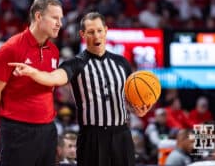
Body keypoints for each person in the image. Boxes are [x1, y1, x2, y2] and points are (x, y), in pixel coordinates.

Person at [8, 12, 151, 166]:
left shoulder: (122, 63)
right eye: (90, 32)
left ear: (106, 30)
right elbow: (55, 77)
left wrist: (138, 109)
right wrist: (34, 72)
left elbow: (128, 100)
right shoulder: (76, 64)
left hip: (121, 135)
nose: (96, 36)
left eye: (99, 30)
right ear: (82, 34)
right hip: (91, 137)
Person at [0, 0, 63, 166]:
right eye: (55, 18)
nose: (60, 23)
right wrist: (1, 125)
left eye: (61, 19)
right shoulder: (10, 49)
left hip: (48, 129)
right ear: (38, 16)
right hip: (17, 130)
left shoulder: (54, 51)